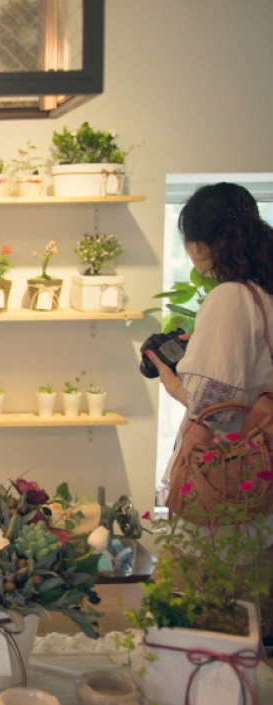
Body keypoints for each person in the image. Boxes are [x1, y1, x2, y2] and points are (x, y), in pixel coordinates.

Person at [144, 181, 273, 645]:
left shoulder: (230, 297)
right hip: (258, 472)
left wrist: (171, 379)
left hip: (222, 475)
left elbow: (213, 407)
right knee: (251, 606)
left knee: (204, 606)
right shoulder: (265, 294)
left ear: (198, 246)